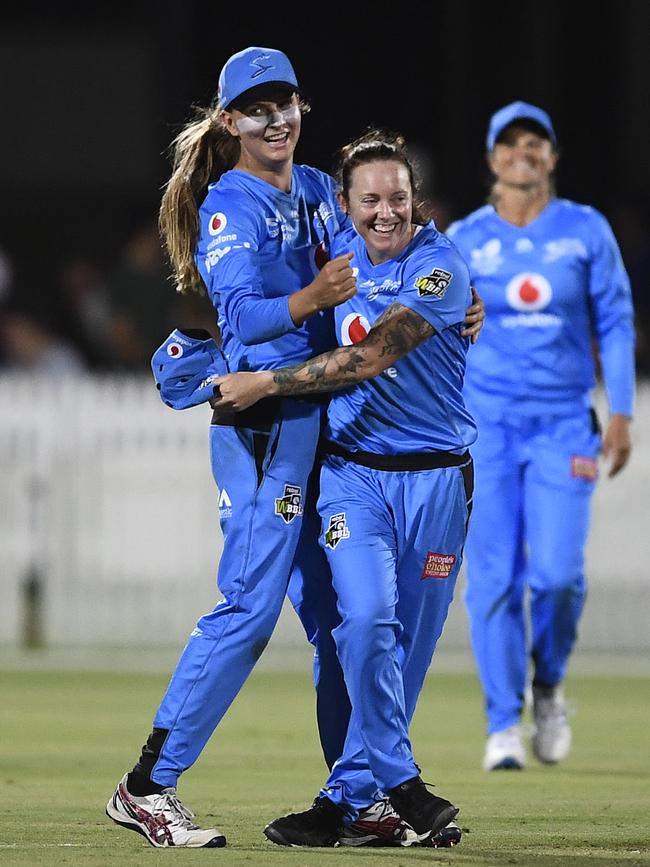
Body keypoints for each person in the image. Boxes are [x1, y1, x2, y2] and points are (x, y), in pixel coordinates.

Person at [105, 45, 358, 849]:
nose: (274, 117)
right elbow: (245, 322)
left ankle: (356, 794)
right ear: (229, 121)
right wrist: (316, 295)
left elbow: (386, 255)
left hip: (314, 419)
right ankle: (147, 784)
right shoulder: (229, 206)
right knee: (249, 611)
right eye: (256, 107)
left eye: (283, 101)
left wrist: (450, 292)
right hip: (260, 431)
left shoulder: (318, 188)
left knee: (342, 619)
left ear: (300, 105)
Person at [210, 128, 478, 848]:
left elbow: (370, 356)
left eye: (397, 197)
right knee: (362, 623)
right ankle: (403, 787)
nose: (385, 211)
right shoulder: (333, 262)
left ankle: (345, 802)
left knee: (406, 651)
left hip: (435, 485)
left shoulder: (441, 268)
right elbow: (270, 304)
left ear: (416, 201)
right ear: (344, 202)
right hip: (351, 476)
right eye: (370, 198)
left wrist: (264, 382)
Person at [445, 101, 636, 771]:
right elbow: (438, 327)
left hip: (563, 424)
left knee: (556, 576)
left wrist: (619, 411)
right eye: (510, 143)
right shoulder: (466, 237)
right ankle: (502, 722)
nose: (522, 152)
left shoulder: (585, 231)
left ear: (552, 156)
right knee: (494, 577)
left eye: (536, 142)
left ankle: (547, 683)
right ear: (492, 157)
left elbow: (613, 318)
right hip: (488, 425)